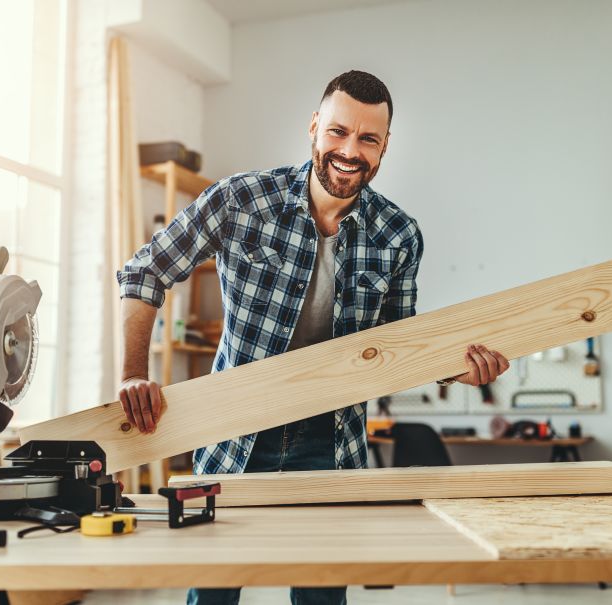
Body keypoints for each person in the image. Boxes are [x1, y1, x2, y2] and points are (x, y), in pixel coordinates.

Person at [116, 70, 509, 605]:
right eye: (338, 131)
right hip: (234, 435)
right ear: (314, 128)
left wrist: (453, 367)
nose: (350, 150)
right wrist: (134, 374)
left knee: (323, 600)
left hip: (331, 443)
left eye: (368, 139)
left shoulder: (398, 235)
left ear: (385, 146)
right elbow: (144, 272)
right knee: (212, 595)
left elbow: (398, 343)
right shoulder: (241, 200)